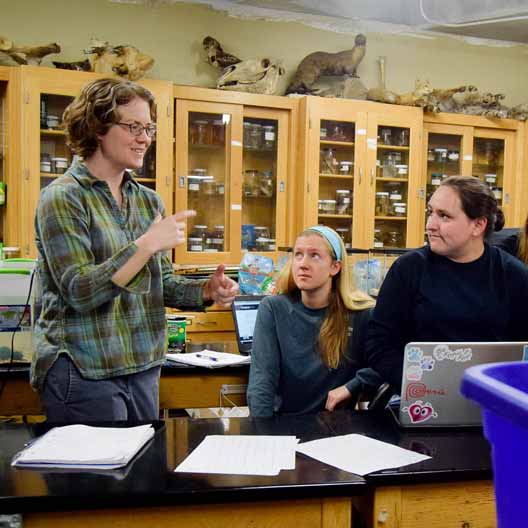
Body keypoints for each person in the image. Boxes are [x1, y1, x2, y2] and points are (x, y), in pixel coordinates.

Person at [31, 78, 238, 422]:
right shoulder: (63, 197)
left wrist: (206, 290)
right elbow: (80, 291)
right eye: (133, 127)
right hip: (84, 371)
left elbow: (164, 284)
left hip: (143, 368)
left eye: (149, 128)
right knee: (94, 477)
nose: (145, 138)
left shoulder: (147, 201)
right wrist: (147, 243)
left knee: (142, 475)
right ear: (98, 128)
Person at [367, 176, 528, 393]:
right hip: (420, 399)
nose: (430, 225)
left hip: (494, 401)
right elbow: (378, 345)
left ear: (478, 225)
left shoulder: (514, 276)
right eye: (430, 213)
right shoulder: (408, 269)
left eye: (444, 216)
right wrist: (418, 386)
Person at [247, 225, 381, 417]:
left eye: (315, 255)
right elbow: (262, 381)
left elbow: (391, 364)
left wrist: (353, 386)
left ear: (335, 267)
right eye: (298, 254)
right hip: (284, 427)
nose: (303, 264)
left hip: (335, 430)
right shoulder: (273, 308)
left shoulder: (361, 314)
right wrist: (263, 435)